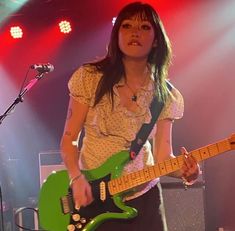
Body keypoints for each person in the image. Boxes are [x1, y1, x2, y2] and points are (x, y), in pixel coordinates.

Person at [60, 2, 200, 231]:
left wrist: (186, 172)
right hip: (95, 199)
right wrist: (76, 178)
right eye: (127, 25)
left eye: (145, 27)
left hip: (144, 199)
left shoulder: (166, 95)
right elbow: (69, 140)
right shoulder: (89, 78)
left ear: (156, 39)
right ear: (117, 35)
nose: (135, 32)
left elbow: (164, 157)